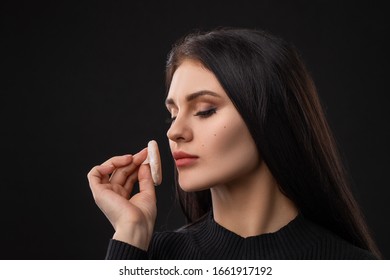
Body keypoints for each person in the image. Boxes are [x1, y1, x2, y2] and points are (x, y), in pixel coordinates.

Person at [87, 27, 381, 259]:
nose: (174, 132)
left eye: (205, 110)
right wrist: (130, 233)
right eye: (172, 114)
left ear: (269, 117)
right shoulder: (148, 257)